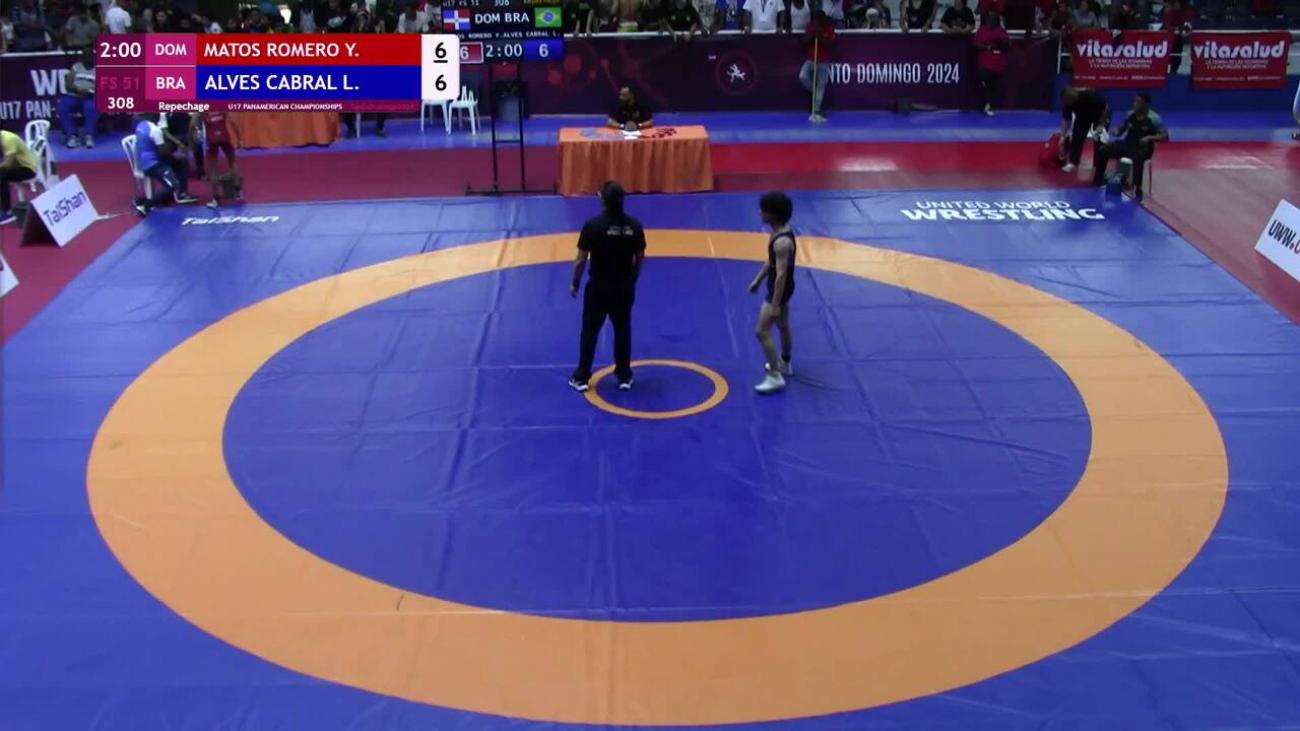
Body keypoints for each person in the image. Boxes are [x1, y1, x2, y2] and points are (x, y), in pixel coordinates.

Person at [569, 181, 646, 393]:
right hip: (623, 288)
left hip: (598, 288)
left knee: (590, 330)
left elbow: (581, 260)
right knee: (622, 330)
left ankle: (582, 376)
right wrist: (632, 279)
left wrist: (575, 282)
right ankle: (624, 375)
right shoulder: (634, 226)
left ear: (602, 200)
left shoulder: (592, 226)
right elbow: (640, 257)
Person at [749, 191, 797, 394]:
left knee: (761, 331)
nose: (759, 212)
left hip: (780, 288)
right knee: (783, 326)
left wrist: (775, 304)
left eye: (763, 210)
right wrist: (758, 279)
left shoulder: (781, 242)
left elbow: (781, 275)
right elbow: (772, 262)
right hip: (783, 287)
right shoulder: (780, 232)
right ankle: (785, 363)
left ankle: (775, 376)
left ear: (773, 215)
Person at [1092, 92, 1167, 202]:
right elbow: (1121, 129)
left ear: (1146, 104)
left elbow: (1165, 136)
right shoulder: (1130, 114)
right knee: (1103, 150)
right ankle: (1098, 180)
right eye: (1134, 101)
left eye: (1138, 102)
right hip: (1127, 144)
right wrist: (1116, 131)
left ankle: (1138, 190)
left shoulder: (1154, 118)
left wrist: (1149, 138)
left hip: (1144, 148)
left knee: (1138, 158)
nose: (1135, 104)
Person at [131, 113, 199, 216]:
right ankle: (145, 206)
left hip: (141, 162)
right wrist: (175, 158)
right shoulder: (155, 130)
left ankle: (176, 195)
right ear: (156, 116)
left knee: (180, 163)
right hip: (152, 165)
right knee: (173, 184)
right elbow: (163, 154)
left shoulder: (141, 125)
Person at [195, 109, 243, 208]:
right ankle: (239, 193)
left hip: (212, 139)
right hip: (225, 137)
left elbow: (193, 124)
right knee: (233, 162)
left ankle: (216, 199)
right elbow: (233, 122)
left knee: (212, 169)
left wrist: (191, 139)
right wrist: (239, 139)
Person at [1058, 85, 1107, 173]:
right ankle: (1073, 162)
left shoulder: (1090, 96)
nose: (1069, 104)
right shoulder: (1067, 103)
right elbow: (1066, 120)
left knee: (1100, 139)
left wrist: (1101, 125)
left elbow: (1104, 109)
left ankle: (1098, 164)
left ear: (1074, 98)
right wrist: (1062, 136)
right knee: (1076, 137)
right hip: (1082, 117)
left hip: (1100, 114)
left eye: (1070, 102)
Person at [799, 10, 834, 123]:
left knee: (821, 85)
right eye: (816, 19)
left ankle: (817, 110)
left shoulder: (829, 28)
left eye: (820, 19)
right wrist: (812, 34)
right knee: (802, 76)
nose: (818, 21)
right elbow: (804, 41)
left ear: (824, 19)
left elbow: (830, 45)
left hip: (823, 60)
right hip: (811, 59)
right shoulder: (810, 26)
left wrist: (820, 37)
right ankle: (814, 91)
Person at [58, 49, 97, 149]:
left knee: (91, 107)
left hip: (90, 96)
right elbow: (68, 85)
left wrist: (90, 90)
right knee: (62, 107)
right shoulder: (76, 67)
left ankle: (88, 135)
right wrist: (77, 89)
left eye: (90, 57)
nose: (87, 59)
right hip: (74, 94)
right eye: (85, 57)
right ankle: (72, 135)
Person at [973, 10, 1010, 116]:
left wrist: (1000, 43)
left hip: (998, 62)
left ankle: (988, 104)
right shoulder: (982, 30)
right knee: (986, 77)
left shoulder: (1001, 31)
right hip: (985, 61)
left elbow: (1007, 45)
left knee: (993, 84)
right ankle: (987, 103)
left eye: (994, 18)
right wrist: (988, 47)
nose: (991, 20)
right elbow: (976, 44)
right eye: (990, 18)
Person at [0, 130, 40, 226]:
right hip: (15, 166)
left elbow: (8, 164)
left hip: (28, 169)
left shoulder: (9, 139)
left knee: (1, 175)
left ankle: (7, 211)